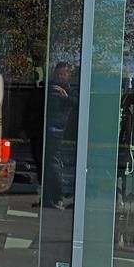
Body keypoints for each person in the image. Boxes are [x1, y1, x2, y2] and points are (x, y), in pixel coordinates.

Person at [42, 62, 77, 208]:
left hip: (60, 130)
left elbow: (77, 104)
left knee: (53, 163)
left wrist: (65, 96)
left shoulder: (71, 90)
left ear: (68, 76)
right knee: (46, 163)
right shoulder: (47, 88)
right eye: (58, 74)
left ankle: (57, 195)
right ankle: (49, 196)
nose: (60, 77)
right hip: (45, 129)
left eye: (63, 74)